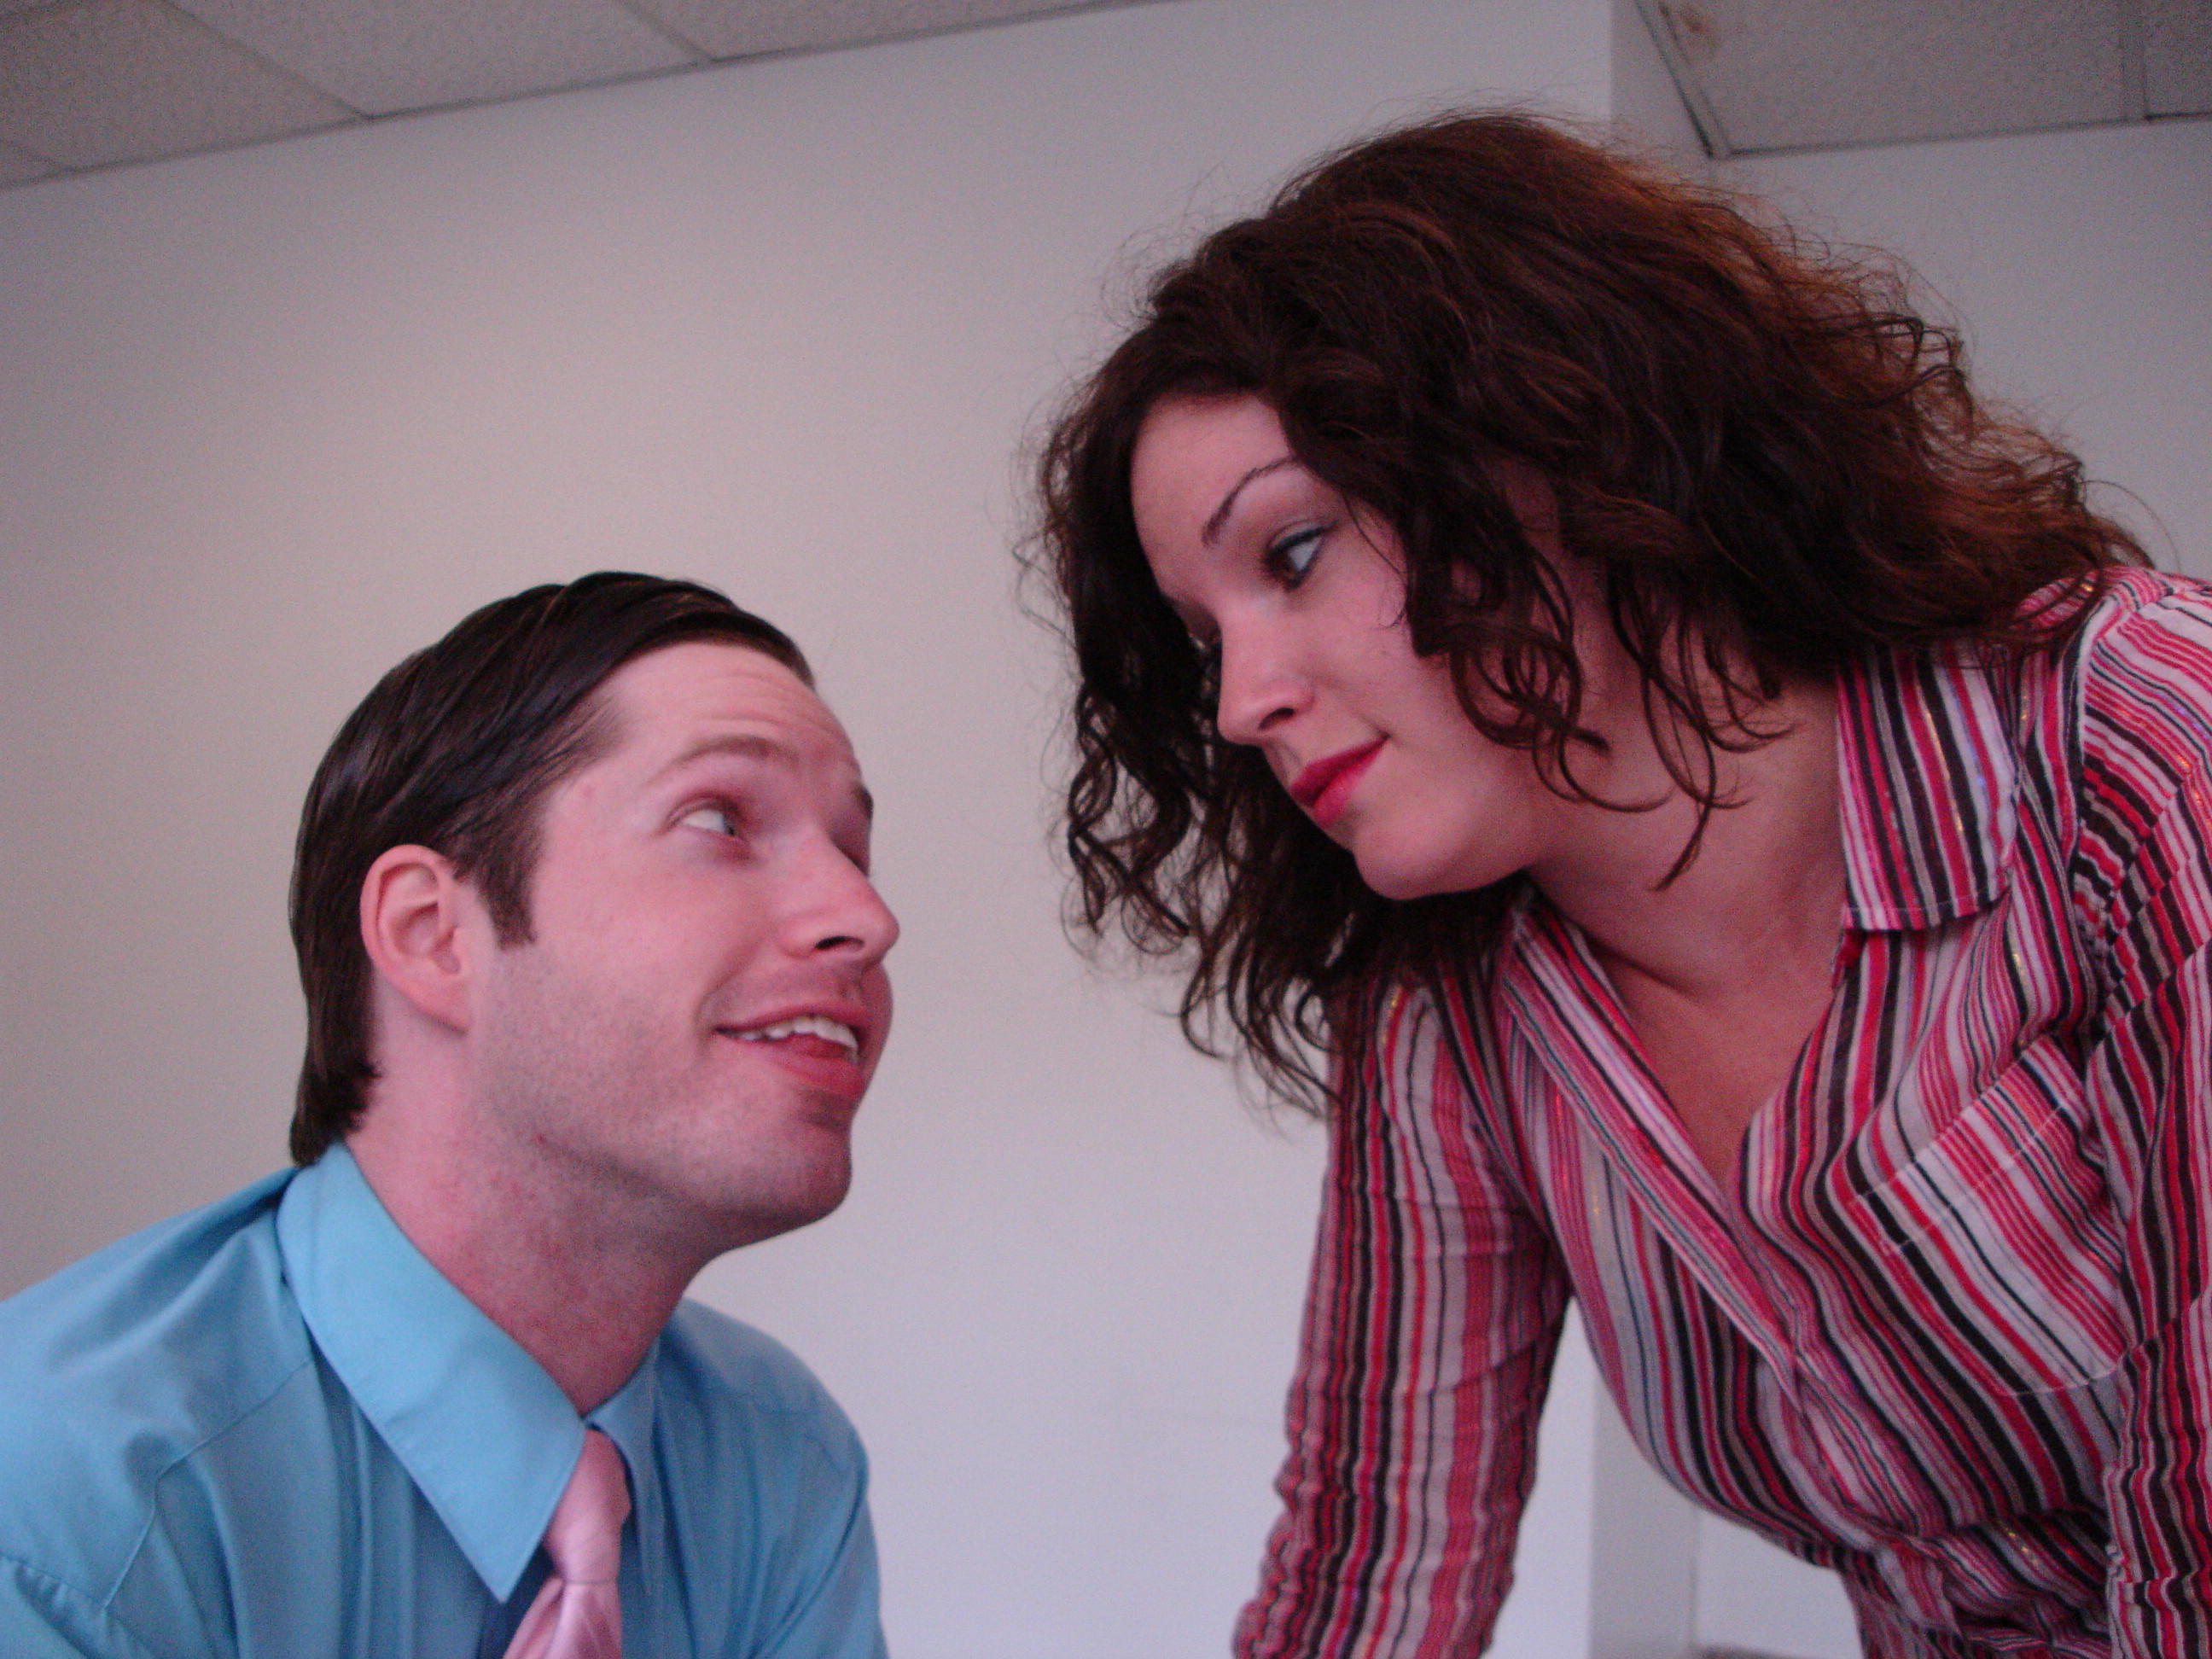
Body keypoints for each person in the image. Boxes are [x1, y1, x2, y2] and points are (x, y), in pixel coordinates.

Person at [1034, 111, 2204, 1657]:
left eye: (1295, 551)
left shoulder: (2135, 737)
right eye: (1205, 643)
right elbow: (1370, 1570)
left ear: (1561, 436)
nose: (1244, 702)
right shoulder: (1450, 1007)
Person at [0, 573, 899, 1657]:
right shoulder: (59, 1495)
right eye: (720, 819)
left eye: (853, 852)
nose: (868, 917)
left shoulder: (782, 1462)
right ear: (433, 933)